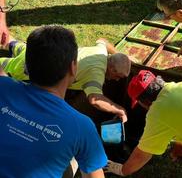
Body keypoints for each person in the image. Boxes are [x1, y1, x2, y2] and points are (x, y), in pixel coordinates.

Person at [0, 25, 107, 178]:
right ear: (73, 68)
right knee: (73, 160)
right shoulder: (82, 127)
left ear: (27, 67)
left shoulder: (3, 86)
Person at [0, 37, 131, 123]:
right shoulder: (96, 73)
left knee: (18, 47)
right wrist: (119, 109)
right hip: (31, 70)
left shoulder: (101, 51)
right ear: (112, 69)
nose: (117, 80)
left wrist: (119, 55)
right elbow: (95, 100)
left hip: (41, 52)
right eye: (118, 76)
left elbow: (102, 40)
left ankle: (8, 42)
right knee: (7, 65)